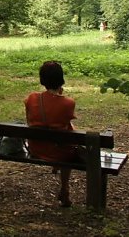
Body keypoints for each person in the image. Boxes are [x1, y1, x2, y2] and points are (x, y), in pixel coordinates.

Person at [24, 61, 78, 207]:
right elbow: (66, 124)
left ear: (42, 79)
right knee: (68, 140)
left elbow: (29, 122)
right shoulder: (68, 103)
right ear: (61, 79)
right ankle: (64, 188)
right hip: (60, 152)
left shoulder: (31, 98)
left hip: (36, 148)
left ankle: (59, 174)